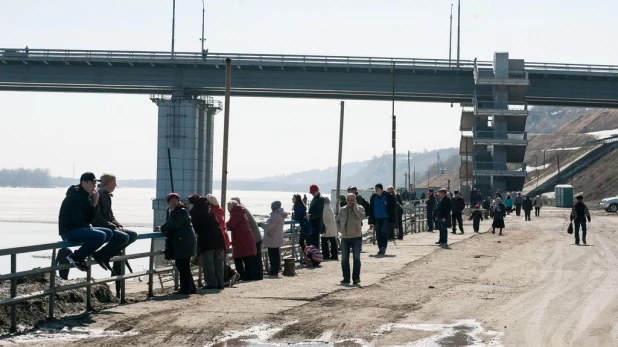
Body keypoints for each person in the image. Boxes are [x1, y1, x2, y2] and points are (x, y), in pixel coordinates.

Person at [58, 172, 120, 272]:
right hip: (69, 231)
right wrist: (88, 228)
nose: (94, 186)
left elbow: (90, 218)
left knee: (108, 233)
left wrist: (94, 203)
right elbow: (77, 219)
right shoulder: (75, 197)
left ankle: (82, 256)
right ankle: (76, 256)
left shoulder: (86, 196)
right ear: (84, 183)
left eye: (95, 184)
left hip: (79, 228)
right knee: (100, 236)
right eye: (92, 183)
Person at [92, 173, 138, 295]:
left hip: (109, 226)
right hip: (101, 227)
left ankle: (107, 254)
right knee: (124, 237)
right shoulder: (99, 194)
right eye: (114, 183)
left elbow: (111, 215)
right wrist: (112, 226)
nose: (116, 185)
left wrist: (118, 225)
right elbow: (96, 217)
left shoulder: (107, 196)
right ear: (108, 183)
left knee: (132, 235)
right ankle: (101, 255)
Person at [156, 193, 197, 295]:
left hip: (184, 241)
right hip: (179, 241)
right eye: (171, 200)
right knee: (183, 266)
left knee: (183, 266)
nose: (173, 201)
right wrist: (165, 227)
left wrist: (162, 228)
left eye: (175, 199)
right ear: (168, 202)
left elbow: (175, 224)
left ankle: (185, 289)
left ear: (178, 201)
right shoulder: (170, 211)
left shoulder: (182, 211)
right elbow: (171, 224)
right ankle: (191, 287)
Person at [189, 195, 226, 290]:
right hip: (219, 239)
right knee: (218, 262)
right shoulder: (210, 212)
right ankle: (220, 283)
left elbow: (193, 227)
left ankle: (211, 283)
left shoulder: (194, 213)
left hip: (207, 241)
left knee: (208, 263)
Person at [337, 193, 365, 285]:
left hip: (356, 237)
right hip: (345, 237)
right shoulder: (342, 209)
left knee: (356, 258)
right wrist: (340, 229)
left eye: (352, 200)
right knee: (344, 259)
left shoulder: (360, 208)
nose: (350, 202)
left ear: (355, 200)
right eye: (348, 200)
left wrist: (355, 208)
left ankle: (356, 278)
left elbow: (362, 217)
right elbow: (337, 220)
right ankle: (346, 278)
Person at [231, 197, 263, 281]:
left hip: (253, 237)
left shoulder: (239, 211)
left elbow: (233, 223)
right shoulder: (242, 209)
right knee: (255, 257)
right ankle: (257, 275)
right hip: (255, 235)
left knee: (254, 257)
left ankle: (256, 275)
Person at [226, 200, 257, 281]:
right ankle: (249, 276)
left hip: (241, 239)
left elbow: (231, 224)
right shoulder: (241, 212)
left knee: (238, 258)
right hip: (246, 238)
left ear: (233, 206)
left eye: (228, 206)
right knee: (247, 259)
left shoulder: (235, 214)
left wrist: (224, 224)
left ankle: (242, 276)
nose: (227, 208)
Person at [259, 201, 288, 276]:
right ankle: (276, 269)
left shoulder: (276, 215)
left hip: (273, 238)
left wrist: (261, 224)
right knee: (276, 254)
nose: (271, 207)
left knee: (273, 255)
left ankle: (274, 271)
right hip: (276, 237)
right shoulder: (280, 215)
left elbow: (269, 226)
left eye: (272, 206)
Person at [368, 183, 396, 255]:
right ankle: (380, 247)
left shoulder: (387, 196)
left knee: (384, 232)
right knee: (378, 233)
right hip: (377, 217)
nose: (376, 190)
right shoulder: (373, 197)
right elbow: (371, 208)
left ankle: (383, 247)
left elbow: (393, 205)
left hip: (385, 217)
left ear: (381, 189)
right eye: (375, 189)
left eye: (377, 188)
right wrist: (371, 219)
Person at [307, 185, 325, 250]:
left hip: (316, 224)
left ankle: (315, 258)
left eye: (313, 192)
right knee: (312, 243)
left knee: (314, 243)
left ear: (317, 191)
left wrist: (310, 216)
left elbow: (319, 213)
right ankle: (313, 257)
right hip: (312, 223)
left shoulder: (320, 199)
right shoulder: (315, 198)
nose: (312, 194)